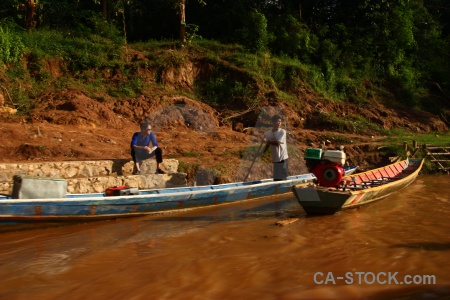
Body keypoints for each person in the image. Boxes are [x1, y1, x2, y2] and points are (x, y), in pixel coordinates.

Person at [260, 115, 289, 181]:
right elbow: (267, 144)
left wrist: (267, 141)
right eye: (278, 121)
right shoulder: (269, 132)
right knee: (276, 178)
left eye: (280, 122)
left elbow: (278, 143)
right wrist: (261, 152)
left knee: (282, 177)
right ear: (273, 122)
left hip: (282, 157)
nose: (279, 123)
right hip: (275, 158)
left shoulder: (282, 132)